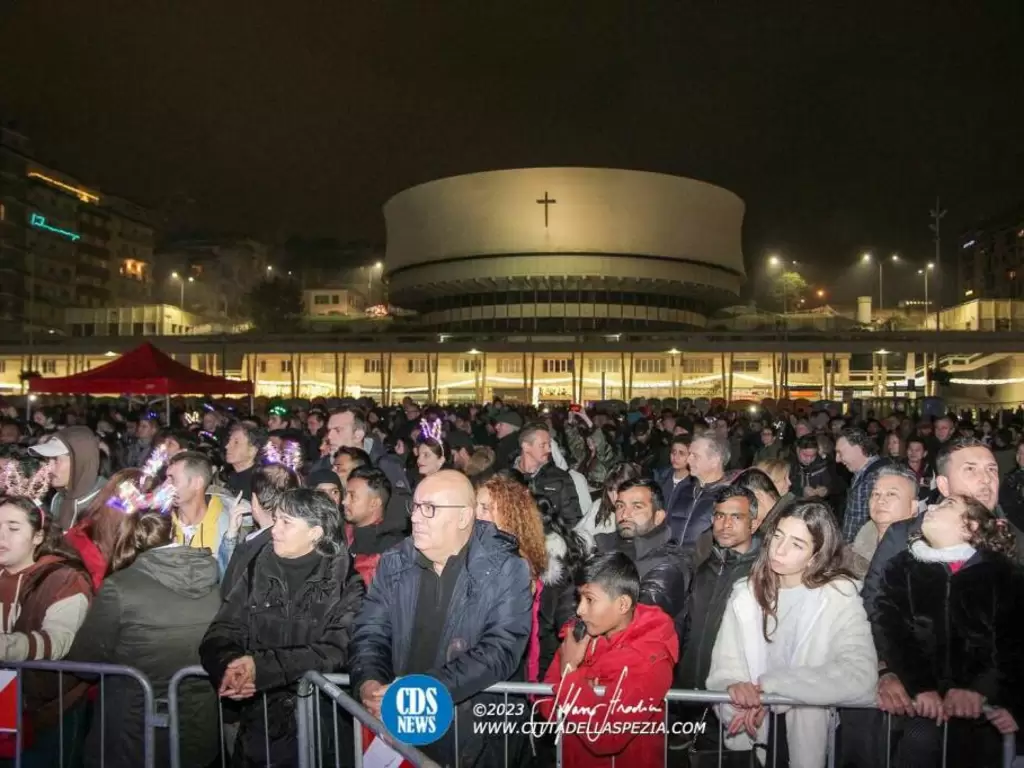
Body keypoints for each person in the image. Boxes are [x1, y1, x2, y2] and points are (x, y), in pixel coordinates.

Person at [350, 470, 533, 766]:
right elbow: (370, 631)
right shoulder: (394, 562)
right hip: (399, 727)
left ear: (463, 517)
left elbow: (501, 648)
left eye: (430, 509)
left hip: (469, 730)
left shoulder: (505, 569)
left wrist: (421, 691)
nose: (417, 517)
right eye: (416, 506)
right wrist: (369, 680)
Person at [201, 488, 365, 766]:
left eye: (286, 522)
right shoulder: (257, 569)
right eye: (275, 519)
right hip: (258, 725)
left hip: (320, 730)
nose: (274, 529)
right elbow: (222, 629)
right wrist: (230, 665)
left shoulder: (347, 583)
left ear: (315, 532)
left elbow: (337, 651)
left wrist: (260, 668)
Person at [706, 501, 877, 767]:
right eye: (777, 536)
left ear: (815, 555)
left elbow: (860, 675)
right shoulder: (745, 594)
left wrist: (772, 687)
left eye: (797, 544)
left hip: (809, 734)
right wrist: (735, 694)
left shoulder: (838, 597)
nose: (780, 550)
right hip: (755, 734)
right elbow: (725, 667)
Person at [874, 495, 1023, 767]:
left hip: (985, 715)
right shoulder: (901, 568)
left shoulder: (1003, 574)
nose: (930, 507)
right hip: (923, 710)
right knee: (918, 745)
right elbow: (892, 632)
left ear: (972, 525)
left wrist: (981, 690)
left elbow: (1014, 642)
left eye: (947, 505)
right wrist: (922, 687)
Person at [67, 509, 220, 768]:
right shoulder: (214, 581)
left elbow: (86, 658)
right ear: (173, 532)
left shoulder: (120, 587)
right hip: (197, 727)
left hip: (132, 728)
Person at [536, 552, 679, 768]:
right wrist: (587, 694)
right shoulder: (579, 636)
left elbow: (607, 733)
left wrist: (571, 673)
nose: (579, 610)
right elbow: (547, 707)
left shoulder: (651, 655)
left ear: (622, 605)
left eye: (590, 600)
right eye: (579, 599)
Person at [0, 494, 93, 766]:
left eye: (13, 528)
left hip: (49, 713)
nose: (1, 535)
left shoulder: (64, 579)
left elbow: (59, 641)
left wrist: (4, 647)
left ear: (38, 537)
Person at [476, 473, 590, 681]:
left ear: (509, 515)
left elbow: (548, 629)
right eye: (476, 506)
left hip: (518, 673)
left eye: (485, 508)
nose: (476, 514)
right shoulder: (470, 556)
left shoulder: (530, 567)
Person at [595, 478, 691, 643]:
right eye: (620, 506)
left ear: (658, 516)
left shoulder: (669, 564)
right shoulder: (601, 547)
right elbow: (568, 601)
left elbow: (632, 622)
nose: (625, 515)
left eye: (637, 507)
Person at [219, 463, 300, 599]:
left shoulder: (253, 548)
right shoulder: (302, 538)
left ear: (254, 501)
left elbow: (228, 590)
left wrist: (231, 535)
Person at [166, 450, 247, 575]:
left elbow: (229, 578)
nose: (166, 485)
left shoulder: (227, 525)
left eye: (173, 479)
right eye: (166, 478)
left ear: (197, 483)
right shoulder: (161, 523)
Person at [848, 465, 919, 577]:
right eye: (875, 494)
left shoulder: (923, 556)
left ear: (914, 507)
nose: (880, 500)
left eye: (891, 494)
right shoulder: (852, 552)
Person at [29, 426, 106, 530]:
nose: (48, 467)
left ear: (80, 461)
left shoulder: (107, 499)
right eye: (47, 460)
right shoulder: (58, 499)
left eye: (56, 459)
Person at [342, 465, 406, 586]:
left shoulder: (393, 550)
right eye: (345, 495)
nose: (344, 501)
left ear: (374, 503)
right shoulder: (343, 534)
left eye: (352, 496)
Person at [514, 421, 584, 528]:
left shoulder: (559, 478)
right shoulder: (507, 477)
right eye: (543, 445)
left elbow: (573, 521)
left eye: (549, 445)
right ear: (526, 446)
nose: (549, 449)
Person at [669, 434, 729, 547]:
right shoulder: (684, 489)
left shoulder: (727, 497)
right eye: (689, 454)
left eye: (695, 456)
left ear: (714, 461)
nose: (689, 459)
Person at [836, 427, 891, 541]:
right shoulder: (863, 473)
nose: (837, 459)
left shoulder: (874, 477)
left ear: (857, 448)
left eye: (840, 453)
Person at [791, 434, 846, 512]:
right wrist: (801, 491)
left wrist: (826, 490)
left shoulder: (821, 464)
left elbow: (833, 484)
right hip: (794, 507)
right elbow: (786, 487)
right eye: (805, 455)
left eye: (812, 456)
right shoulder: (790, 464)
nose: (809, 459)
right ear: (797, 450)